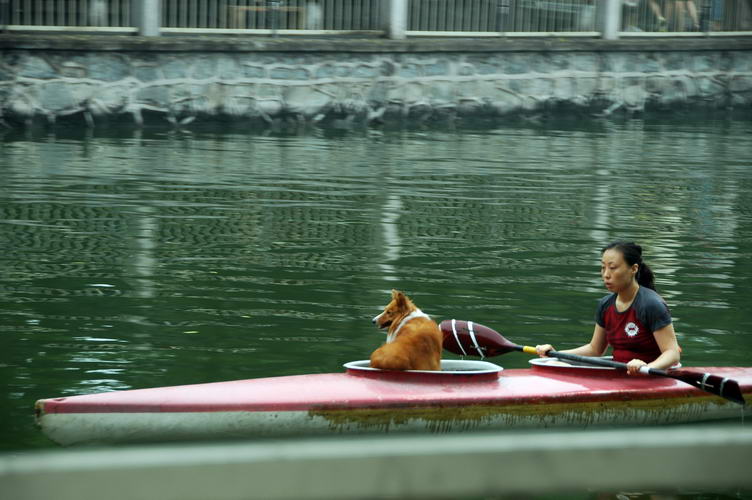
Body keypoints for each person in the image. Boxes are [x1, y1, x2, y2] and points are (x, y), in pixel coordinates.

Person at [535, 241, 681, 375]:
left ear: (634, 269)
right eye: (603, 268)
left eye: (612, 268)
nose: (606, 275)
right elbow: (595, 349)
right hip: (618, 373)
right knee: (553, 362)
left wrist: (647, 367)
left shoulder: (651, 304)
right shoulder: (605, 305)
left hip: (650, 375)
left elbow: (672, 352)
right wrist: (557, 354)